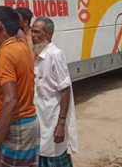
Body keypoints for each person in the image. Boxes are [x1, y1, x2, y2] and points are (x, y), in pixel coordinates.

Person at [0, 6, 39, 167]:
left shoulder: (6, 55)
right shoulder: (21, 46)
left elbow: (10, 100)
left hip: (17, 127)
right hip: (28, 124)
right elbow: (21, 33)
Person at [31, 17, 78, 167]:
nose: (32, 36)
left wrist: (61, 123)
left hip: (52, 121)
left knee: (54, 156)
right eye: (31, 32)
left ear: (48, 34)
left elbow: (65, 89)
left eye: (36, 32)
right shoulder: (37, 56)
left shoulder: (55, 55)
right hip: (40, 120)